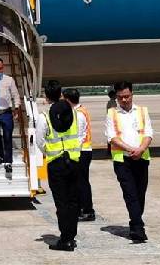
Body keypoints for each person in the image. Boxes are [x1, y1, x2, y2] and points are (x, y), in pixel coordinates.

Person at [104, 81, 153, 242]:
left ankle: (135, 222)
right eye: (120, 97)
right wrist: (130, 149)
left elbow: (148, 134)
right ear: (116, 97)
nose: (124, 100)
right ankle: (138, 229)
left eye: (127, 96)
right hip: (122, 160)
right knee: (130, 194)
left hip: (142, 158)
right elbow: (112, 137)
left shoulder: (142, 111)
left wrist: (140, 150)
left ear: (132, 94)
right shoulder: (112, 113)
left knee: (140, 194)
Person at [35, 99, 81, 252]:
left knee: (61, 202)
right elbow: (80, 135)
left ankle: (65, 239)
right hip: (73, 161)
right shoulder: (75, 113)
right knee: (73, 201)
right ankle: (71, 236)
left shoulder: (45, 116)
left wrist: (50, 153)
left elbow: (40, 140)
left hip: (56, 163)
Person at [63, 88, 95, 221]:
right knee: (79, 181)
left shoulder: (79, 113)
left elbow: (80, 135)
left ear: (68, 100)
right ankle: (82, 208)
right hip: (82, 151)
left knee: (82, 182)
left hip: (82, 151)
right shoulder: (78, 111)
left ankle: (87, 210)